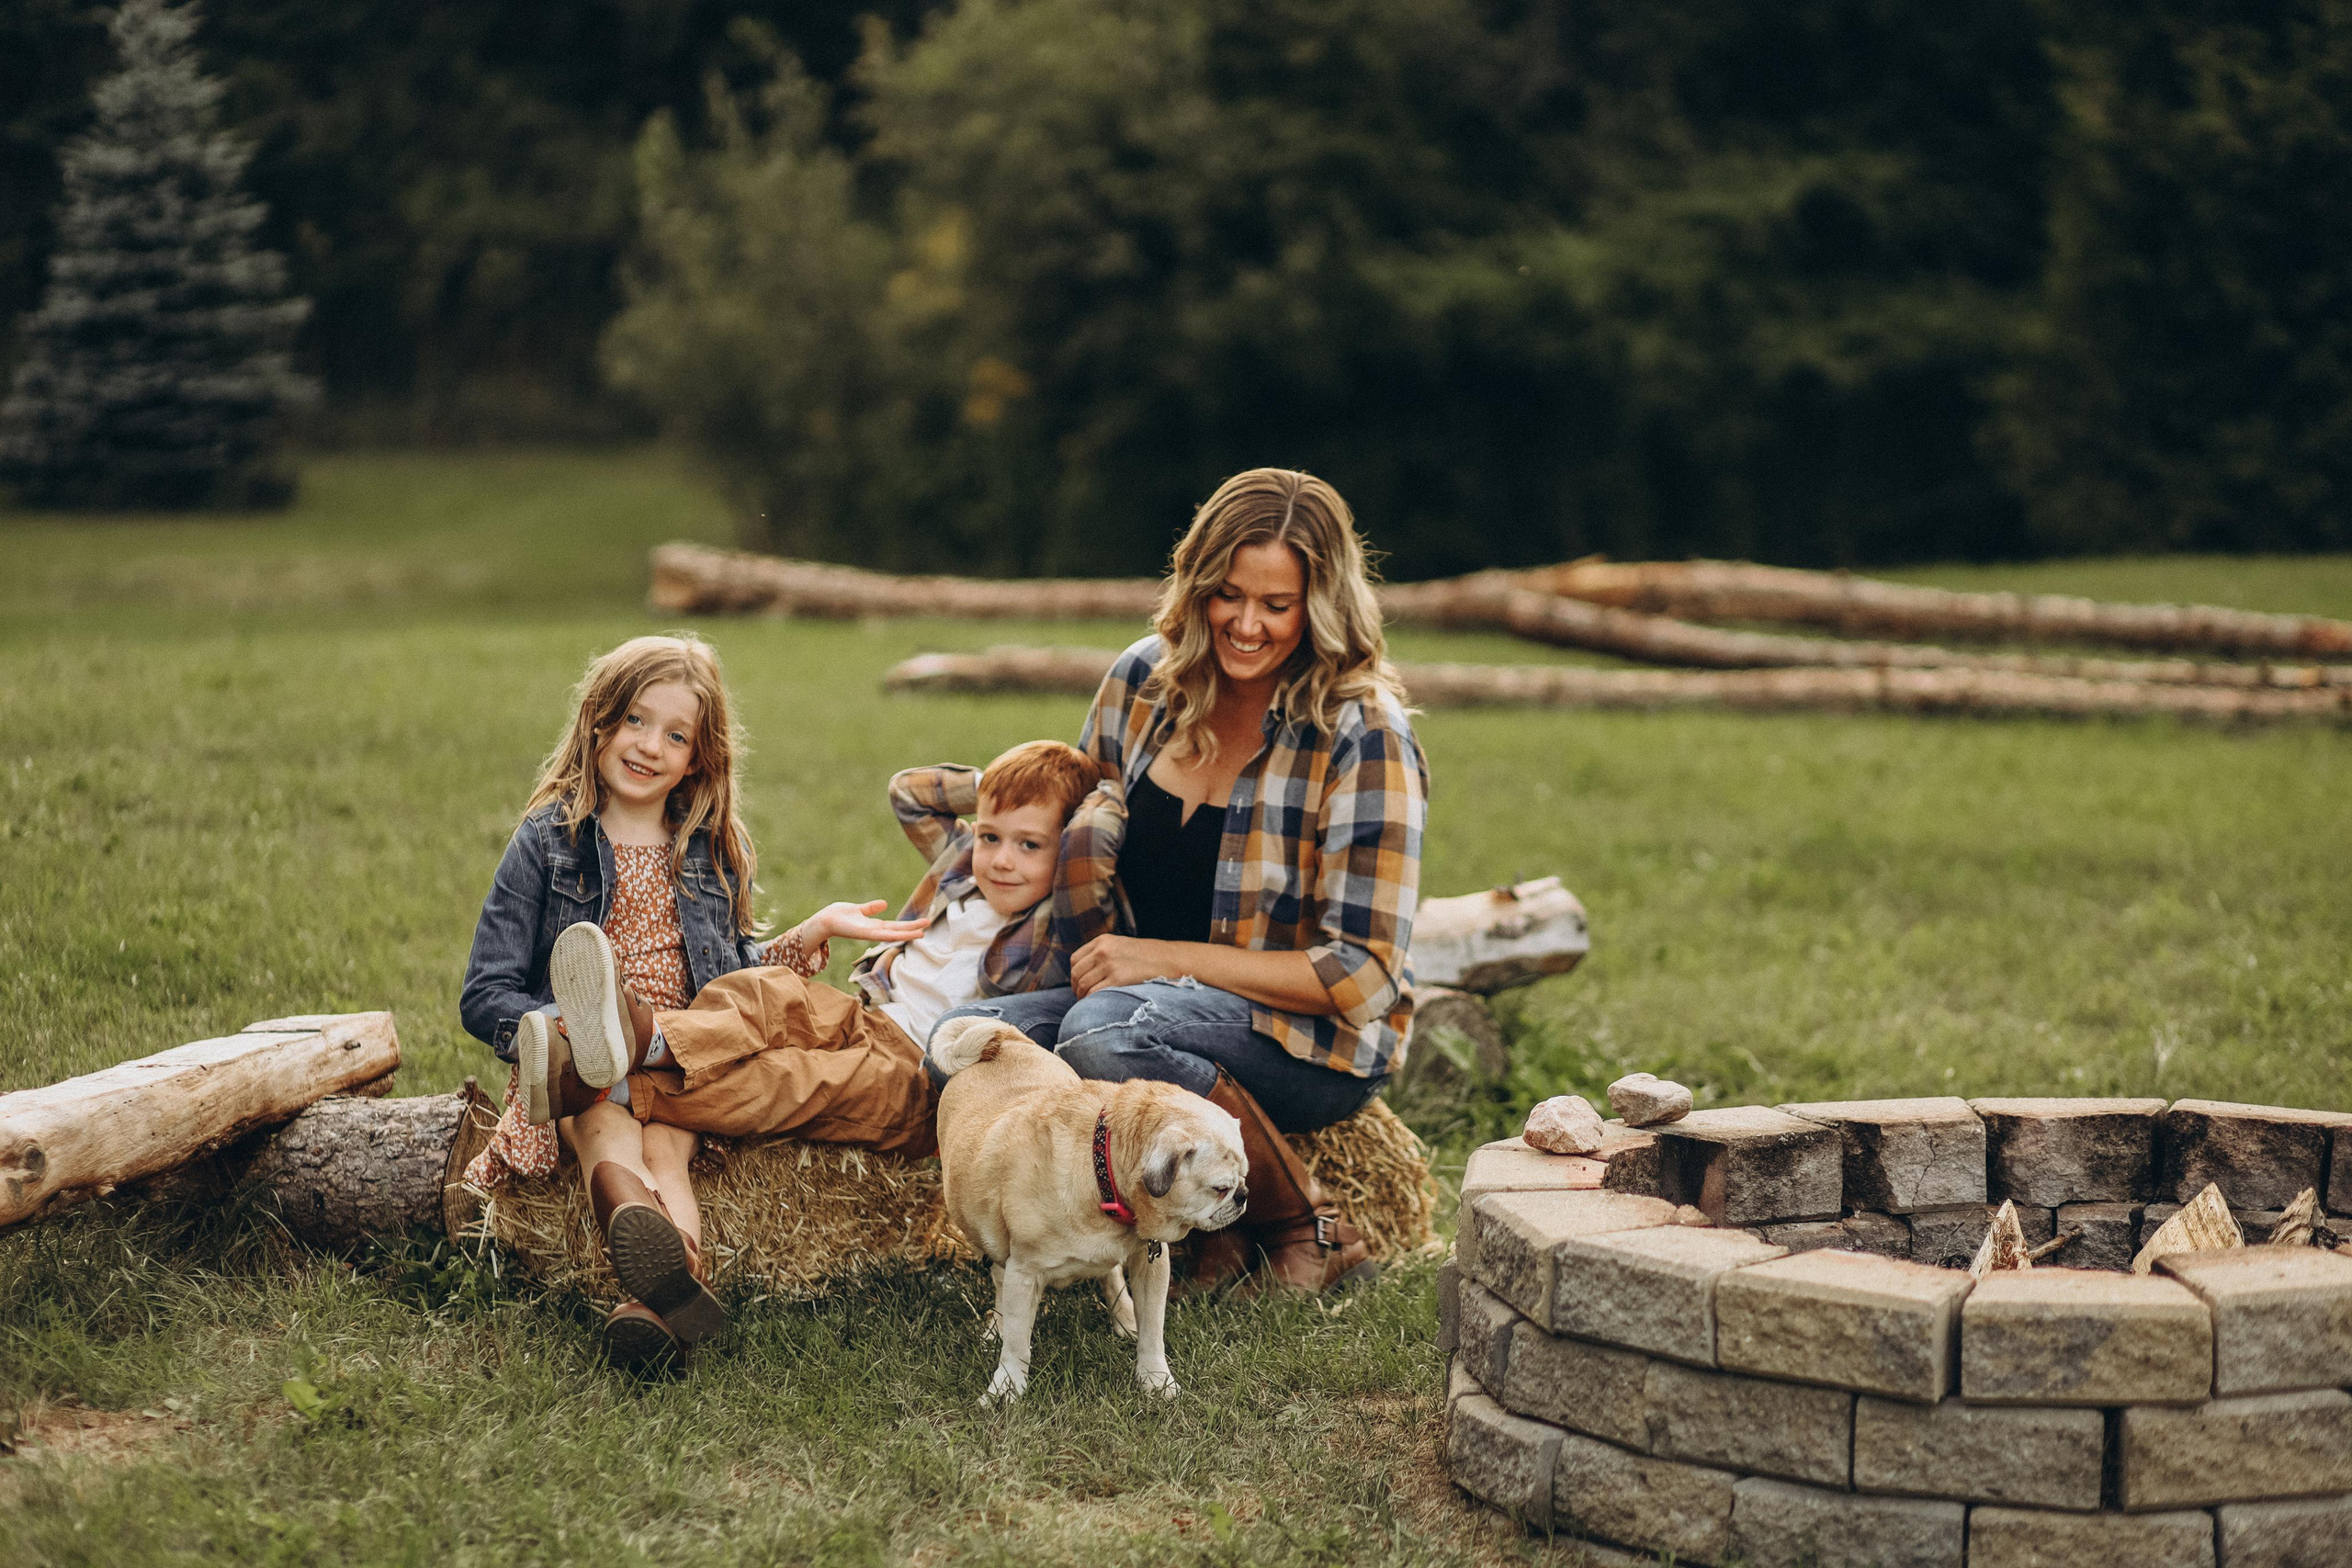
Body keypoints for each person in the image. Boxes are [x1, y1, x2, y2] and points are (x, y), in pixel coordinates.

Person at [458, 644, 1112, 1365]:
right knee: (755, 1002)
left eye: (676, 735)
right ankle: (634, 1076)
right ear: (597, 722)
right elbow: (912, 792)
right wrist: (1016, 792)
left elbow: (1086, 863)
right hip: (825, 1018)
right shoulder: (961, 869)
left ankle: (618, 1108)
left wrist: (1082, 803)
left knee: (770, 1089)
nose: (1002, 857)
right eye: (991, 834)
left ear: (699, 758)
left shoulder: (1056, 924)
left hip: (907, 1067)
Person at [936, 468, 1429, 1294]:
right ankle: (1143, 1230)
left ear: (1325, 603)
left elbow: (1362, 974)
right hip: (1128, 995)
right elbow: (1058, 831)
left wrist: (1157, 959)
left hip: (1308, 1040)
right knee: (964, 1040)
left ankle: (1305, 1221)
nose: (1246, 623)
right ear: (1196, 584)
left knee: (1103, 1034)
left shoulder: (1365, 735)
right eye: (1227, 595)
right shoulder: (1142, 681)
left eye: (1278, 604)